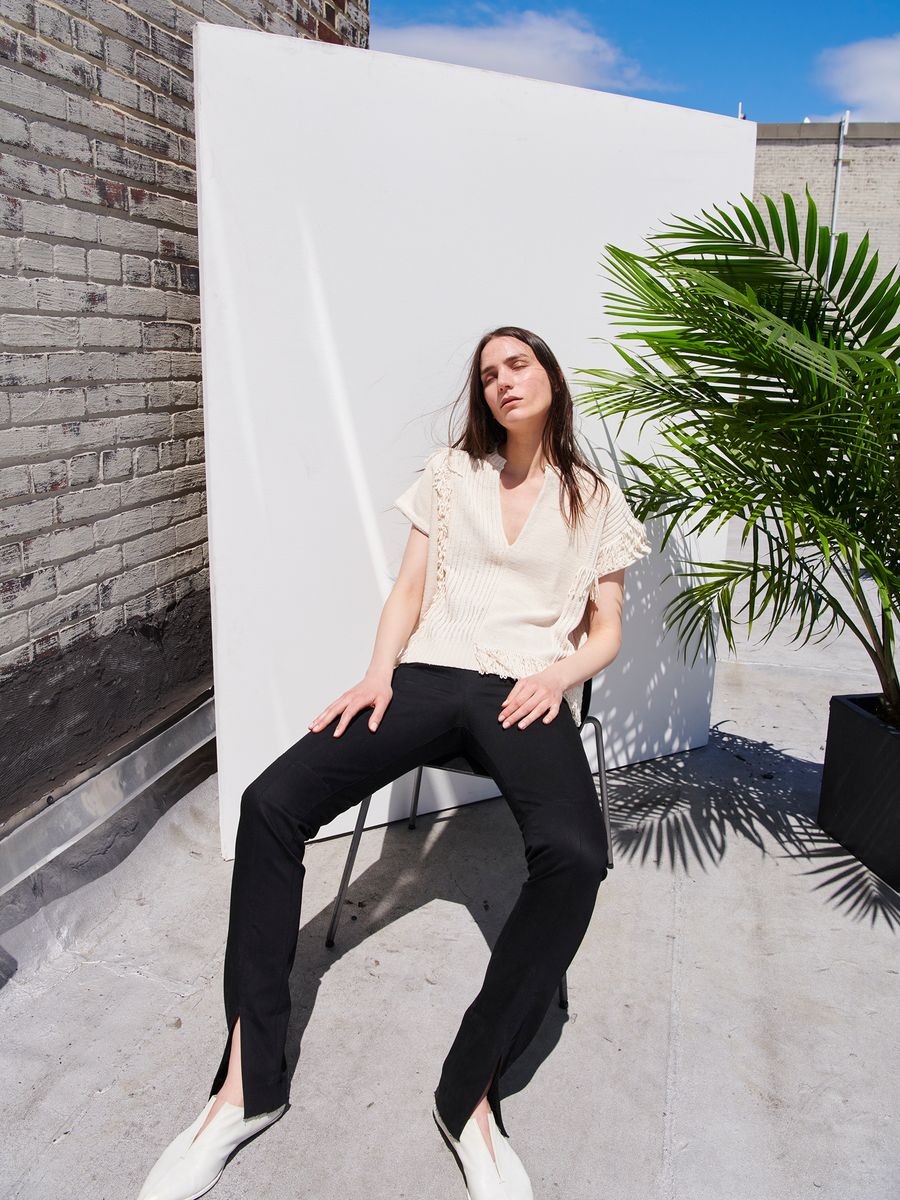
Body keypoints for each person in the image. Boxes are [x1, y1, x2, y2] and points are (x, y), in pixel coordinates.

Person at [137, 326, 650, 1200]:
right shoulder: (451, 474)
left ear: (551, 378)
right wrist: (377, 675)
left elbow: (605, 631)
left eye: (516, 364)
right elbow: (409, 592)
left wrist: (557, 674)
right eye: (487, 373)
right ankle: (244, 1088)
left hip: (524, 689)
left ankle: (471, 1097)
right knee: (269, 804)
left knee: (576, 857)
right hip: (428, 676)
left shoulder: (596, 499)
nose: (500, 382)